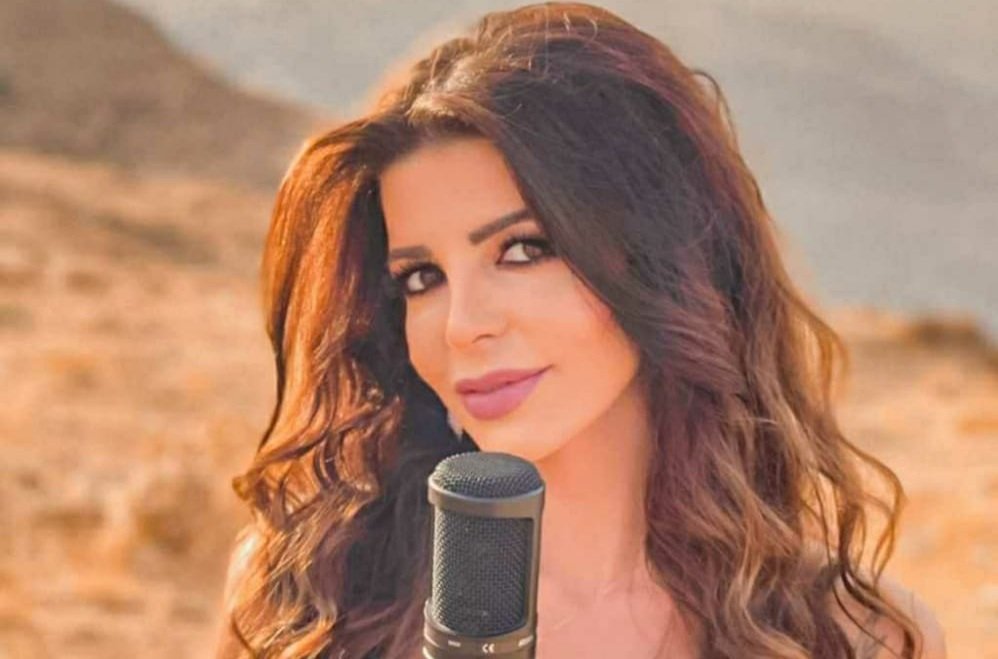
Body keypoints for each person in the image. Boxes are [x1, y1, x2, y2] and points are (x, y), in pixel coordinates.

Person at [213, 3, 947, 657]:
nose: (463, 326)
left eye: (523, 250)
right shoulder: (311, 602)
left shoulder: (856, 637)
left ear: (662, 259)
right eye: (421, 277)